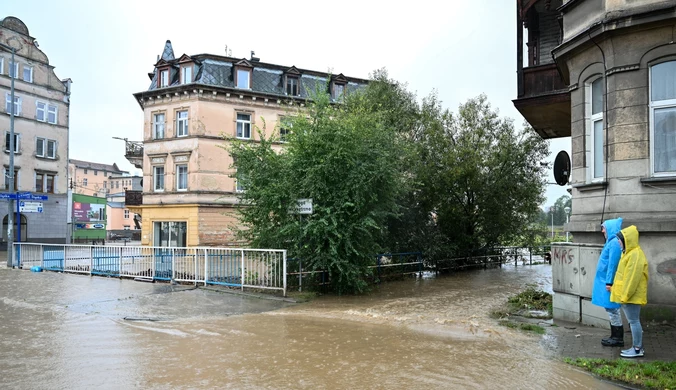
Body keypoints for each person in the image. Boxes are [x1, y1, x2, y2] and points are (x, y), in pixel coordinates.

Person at [611, 225, 649, 358]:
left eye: (620, 240)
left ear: (627, 240)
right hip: (628, 296)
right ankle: (637, 347)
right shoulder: (630, 253)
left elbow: (632, 279)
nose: (618, 242)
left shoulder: (635, 255)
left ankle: (637, 349)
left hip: (630, 296)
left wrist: (625, 296)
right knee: (633, 321)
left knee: (634, 321)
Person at [591, 218, 623, 346]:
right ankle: (614, 335)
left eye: (603, 227)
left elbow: (612, 265)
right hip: (605, 280)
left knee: (613, 308)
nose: (602, 230)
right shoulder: (611, 242)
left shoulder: (614, 243)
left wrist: (609, 282)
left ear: (610, 228)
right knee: (610, 309)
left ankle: (618, 338)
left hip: (608, 282)